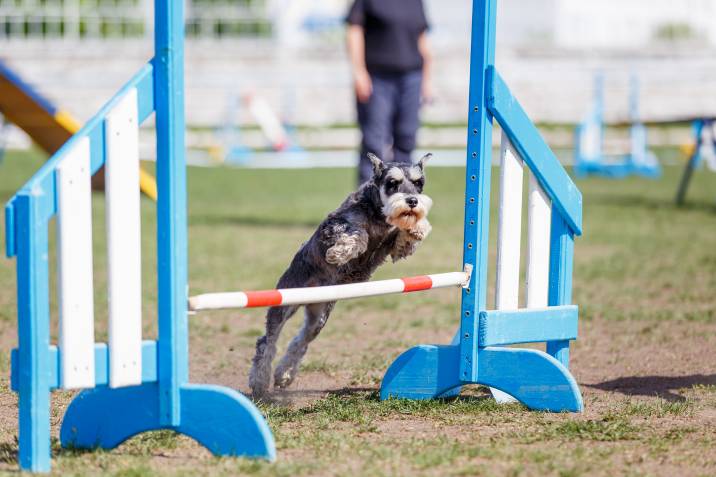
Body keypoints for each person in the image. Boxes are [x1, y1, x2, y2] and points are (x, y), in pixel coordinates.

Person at [346, 0, 433, 184]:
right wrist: (359, 71)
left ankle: (401, 200)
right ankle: (367, 203)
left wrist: (427, 80)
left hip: (411, 77)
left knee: (406, 139)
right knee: (374, 143)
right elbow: (354, 30)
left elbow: (422, 38)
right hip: (377, 77)